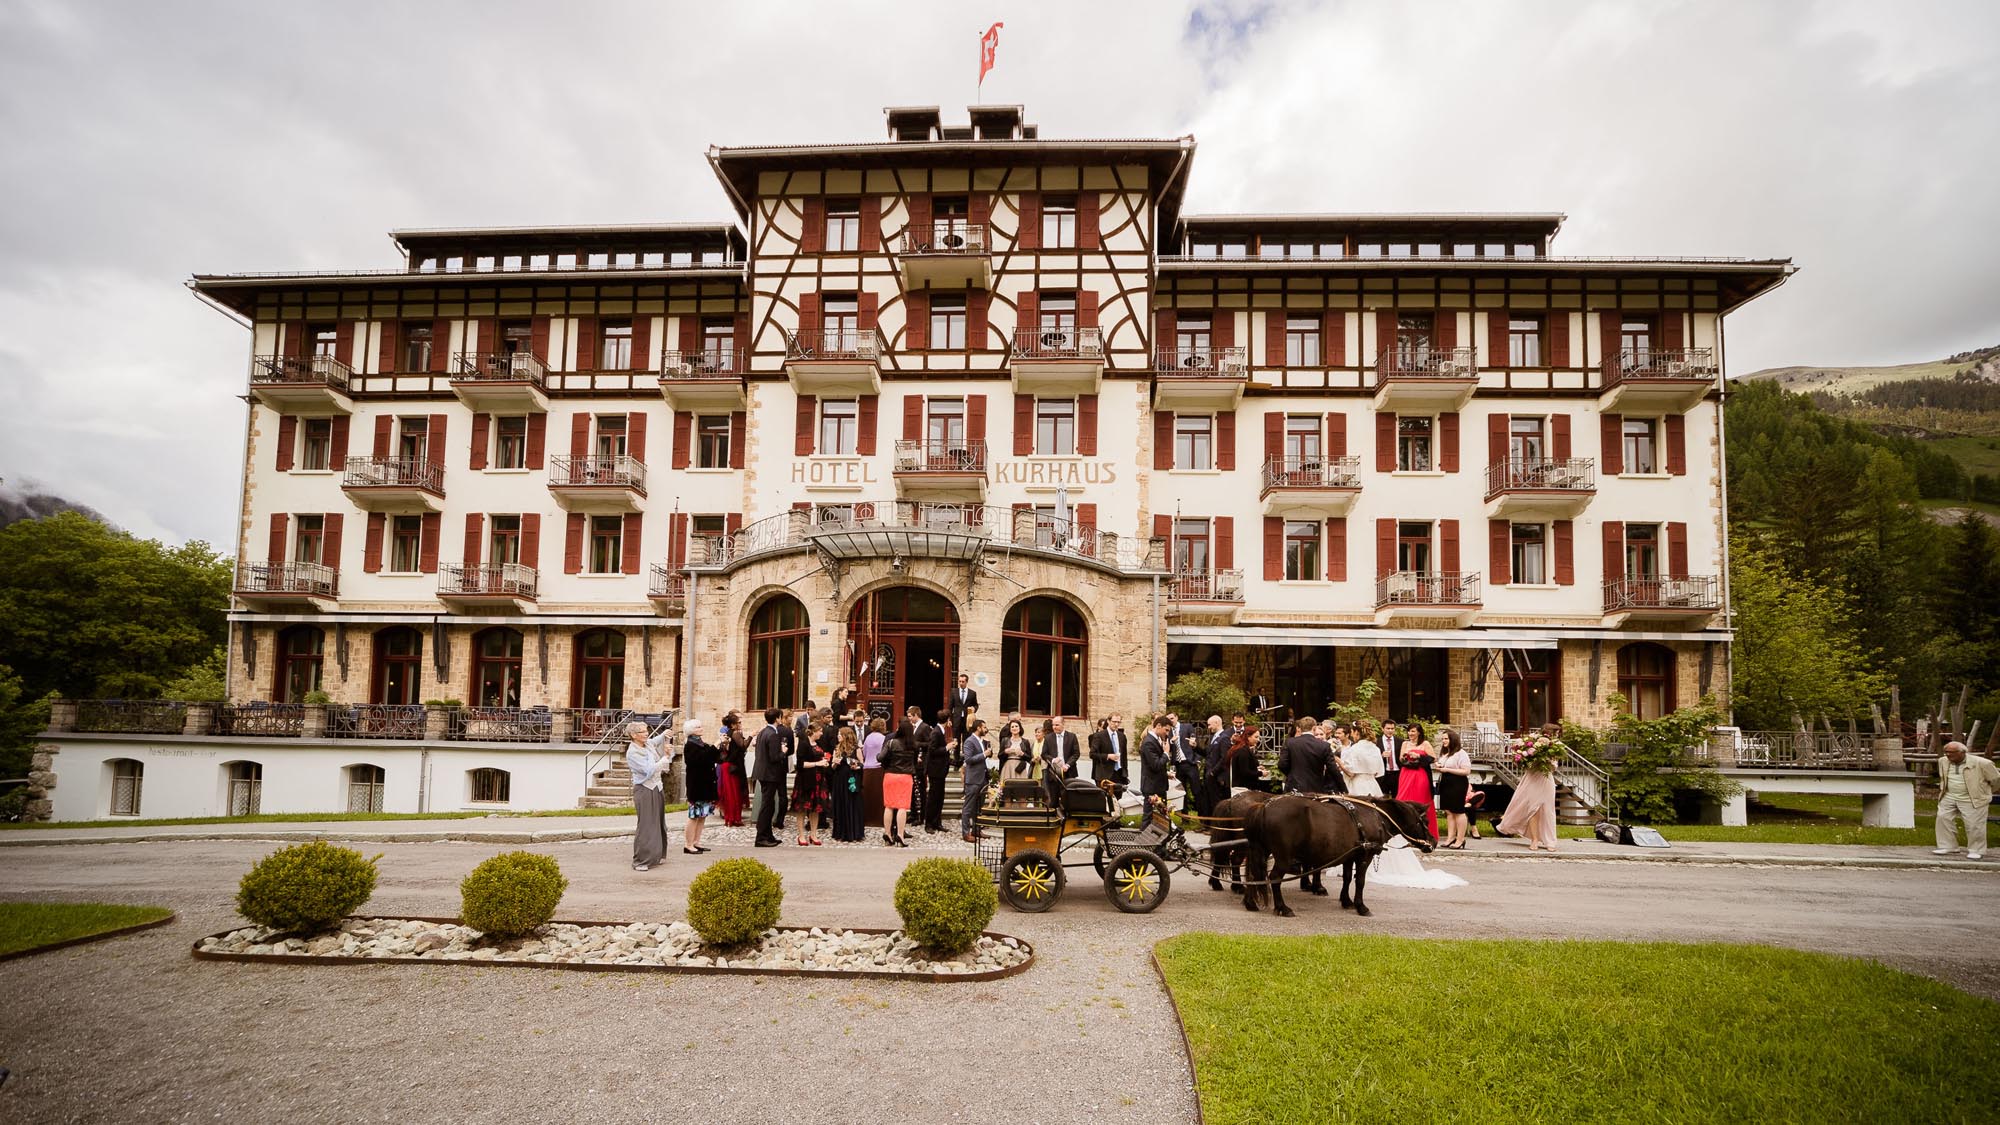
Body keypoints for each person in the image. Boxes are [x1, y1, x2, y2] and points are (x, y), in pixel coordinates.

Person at [1496, 724, 1561, 851]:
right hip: (1532, 779)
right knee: (1533, 809)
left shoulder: (1554, 747)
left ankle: (1550, 841)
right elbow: (1525, 764)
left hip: (1546, 780)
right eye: (1556, 733)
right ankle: (1534, 839)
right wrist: (1530, 757)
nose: (1557, 736)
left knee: (1548, 810)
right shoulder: (1531, 743)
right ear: (1549, 733)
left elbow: (1553, 768)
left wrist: (1548, 760)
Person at [1933, 740, 1998, 860]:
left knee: (1974, 824)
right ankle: (1948, 846)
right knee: (1943, 818)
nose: (1948, 755)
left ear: (1962, 752)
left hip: (1972, 798)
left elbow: (1996, 780)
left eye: (1951, 752)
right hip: (1949, 795)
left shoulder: (1982, 763)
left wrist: (1983, 792)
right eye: (1946, 752)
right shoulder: (1942, 761)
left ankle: (1976, 850)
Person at [626, 720, 674, 871]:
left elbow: (654, 741)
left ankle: (657, 855)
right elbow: (648, 770)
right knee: (646, 825)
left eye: (646, 730)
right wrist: (665, 758)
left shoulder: (647, 745)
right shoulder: (633, 752)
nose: (646, 733)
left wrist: (664, 735)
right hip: (644, 789)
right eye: (642, 731)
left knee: (659, 823)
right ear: (633, 735)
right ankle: (641, 860)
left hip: (657, 787)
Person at [679, 717, 718, 856]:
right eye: (697, 727)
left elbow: (714, 757)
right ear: (691, 731)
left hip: (706, 784)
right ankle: (688, 844)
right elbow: (700, 760)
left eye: (700, 726)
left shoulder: (702, 743)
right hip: (697, 785)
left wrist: (719, 746)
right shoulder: (690, 745)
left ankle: (696, 841)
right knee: (694, 815)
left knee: (702, 815)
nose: (701, 728)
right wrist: (715, 745)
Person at [910, 706, 951, 833]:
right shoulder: (936, 732)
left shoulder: (941, 731)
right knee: (933, 798)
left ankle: (937, 822)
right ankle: (929, 824)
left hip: (941, 770)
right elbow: (932, 750)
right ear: (948, 720)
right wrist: (946, 748)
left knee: (940, 797)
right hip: (935, 771)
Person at [791, 720, 831, 846]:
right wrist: (817, 763)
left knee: (816, 808)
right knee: (803, 808)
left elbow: (818, 756)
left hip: (818, 780)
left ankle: (813, 834)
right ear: (813, 731)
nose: (822, 733)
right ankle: (801, 835)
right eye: (820, 731)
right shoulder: (803, 744)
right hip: (805, 780)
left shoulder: (817, 743)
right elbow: (801, 764)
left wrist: (824, 760)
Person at [751, 708, 787, 848]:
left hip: (763, 772)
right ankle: (761, 837)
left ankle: (768, 835)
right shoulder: (772, 734)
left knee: (770, 805)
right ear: (777, 718)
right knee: (767, 806)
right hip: (769, 774)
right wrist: (783, 752)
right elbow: (774, 757)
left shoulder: (763, 732)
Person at [1395, 723, 1437, 837]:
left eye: (1413, 731)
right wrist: (1404, 756)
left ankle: (1424, 832)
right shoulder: (1405, 743)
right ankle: (1403, 831)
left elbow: (1433, 758)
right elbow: (1400, 759)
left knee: (1420, 800)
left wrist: (1418, 756)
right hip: (1406, 773)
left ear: (1419, 732)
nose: (1410, 734)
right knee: (1403, 799)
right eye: (1409, 731)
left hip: (1420, 774)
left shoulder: (1425, 743)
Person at [1435, 728, 1473, 849]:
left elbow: (1466, 771)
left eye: (1446, 738)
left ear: (1453, 739)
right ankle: (1450, 837)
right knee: (1449, 811)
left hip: (1457, 783)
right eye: (1443, 739)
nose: (1444, 741)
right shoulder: (1445, 753)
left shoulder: (1461, 753)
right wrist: (1440, 766)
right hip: (1446, 782)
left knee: (1458, 811)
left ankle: (1460, 839)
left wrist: (1447, 769)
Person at [880, 721, 917, 847]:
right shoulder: (913, 745)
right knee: (902, 807)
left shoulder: (891, 743)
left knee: (889, 806)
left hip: (890, 776)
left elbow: (880, 757)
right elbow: (915, 762)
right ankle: (900, 835)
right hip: (905, 777)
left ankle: (887, 833)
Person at [1279, 716, 1333, 794]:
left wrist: (1293, 774)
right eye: (1317, 734)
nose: (1319, 736)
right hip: (1313, 786)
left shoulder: (1290, 742)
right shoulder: (1324, 745)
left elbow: (1282, 764)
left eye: (1321, 734)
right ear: (1314, 729)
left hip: (1299, 785)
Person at [960, 718, 994, 841]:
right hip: (973, 779)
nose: (986, 729)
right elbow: (968, 760)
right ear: (978, 728)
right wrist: (984, 754)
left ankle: (976, 830)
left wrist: (988, 753)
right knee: (968, 808)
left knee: (979, 807)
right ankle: (965, 833)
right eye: (984, 727)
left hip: (982, 778)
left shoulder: (982, 741)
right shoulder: (969, 741)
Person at [830, 725, 866, 842]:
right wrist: (835, 763)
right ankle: (841, 832)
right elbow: (833, 767)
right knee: (840, 804)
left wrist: (856, 767)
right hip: (839, 780)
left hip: (852, 779)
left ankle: (854, 832)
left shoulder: (856, 749)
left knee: (852, 805)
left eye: (840, 734)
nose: (838, 736)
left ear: (846, 736)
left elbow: (862, 764)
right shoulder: (837, 749)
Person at [1040, 716, 1082, 806]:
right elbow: (1044, 754)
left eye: (1057, 725)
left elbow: (1076, 754)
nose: (1054, 727)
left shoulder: (1072, 737)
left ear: (1063, 724)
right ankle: (1054, 818)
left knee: (1068, 798)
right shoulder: (1048, 738)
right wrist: (1053, 760)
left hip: (1069, 772)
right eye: (1053, 725)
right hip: (1053, 773)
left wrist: (1068, 765)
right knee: (1053, 799)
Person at [717, 711, 748, 827]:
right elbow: (743, 746)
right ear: (733, 724)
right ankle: (733, 818)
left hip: (728, 765)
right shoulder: (735, 733)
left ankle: (732, 818)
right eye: (738, 722)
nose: (740, 724)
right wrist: (752, 736)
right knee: (733, 794)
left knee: (732, 793)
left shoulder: (729, 733)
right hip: (732, 766)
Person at [1339, 724, 1385, 797]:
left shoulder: (1354, 749)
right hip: (1373, 785)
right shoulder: (1376, 749)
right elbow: (1378, 773)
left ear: (1357, 732)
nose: (1352, 735)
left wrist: (1339, 762)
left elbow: (1350, 773)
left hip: (1358, 785)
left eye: (1352, 732)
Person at [1089, 714, 1130, 792]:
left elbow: (1124, 756)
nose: (1116, 724)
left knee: (1118, 799)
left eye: (1118, 722)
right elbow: (1092, 754)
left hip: (1119, 773)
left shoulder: (1122, 736)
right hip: (1105, 774)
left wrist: (1125, 773)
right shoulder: (1099, 736)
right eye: (1114, 722)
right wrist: (1108, 756)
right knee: (1105, 800)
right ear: (1108, 721)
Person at [1139, 715, 1172, 810]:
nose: (1167, 734)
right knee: (1149, 817)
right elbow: (1156, 765)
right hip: (1152, 787)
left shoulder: (1157, 740)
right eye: (1166, 730)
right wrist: (1166, 753)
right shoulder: (1148, 742)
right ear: (1158, 726)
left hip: (1159, 785)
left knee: (1162, 817)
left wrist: (1165, 773)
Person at [860, 716, 887, 826]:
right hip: (879, 769)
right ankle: (878, 820)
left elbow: (864, 753)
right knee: (879, 797)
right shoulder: (883, 738)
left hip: (867, 769)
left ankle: (867, 819)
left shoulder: (868, 737)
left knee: (867, 796)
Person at [1201, 714, 1231, 814]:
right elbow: (1207, 753)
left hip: (1216, 776)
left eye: (1210, 725)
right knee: (1207, 800)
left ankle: (1218, 825)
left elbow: (1224, 758)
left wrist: (1213, 772)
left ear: (1217, 723)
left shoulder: (1224, 738)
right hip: (1209, 775)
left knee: (1216, 802)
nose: (1208, 727)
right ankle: (1207, 824)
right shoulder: (1213, 737)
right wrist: (1195, 747)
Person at [997, 718, 1034, 782]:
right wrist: (1005, 752)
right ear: (1010, 729)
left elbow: (1029, 758)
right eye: (1012, 727)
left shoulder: (1025, 741)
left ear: (1020, 728)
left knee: (1020, 787)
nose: (1014, 728)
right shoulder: (1005, 740)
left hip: (1020, 767)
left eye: (1016, 726)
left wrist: (1022, 754)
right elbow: (999, 756)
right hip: (1008, 767)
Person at [1379, 721, 1403, 799]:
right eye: (1388, 728)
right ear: (1382, 729)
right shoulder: (1376, 742)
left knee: (1397, 798)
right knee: (1383, 798)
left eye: (1392, 728)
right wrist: (1381, 756)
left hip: (1397, 773)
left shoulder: (1401, 741)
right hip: (1383, 774)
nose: (1390, 730)